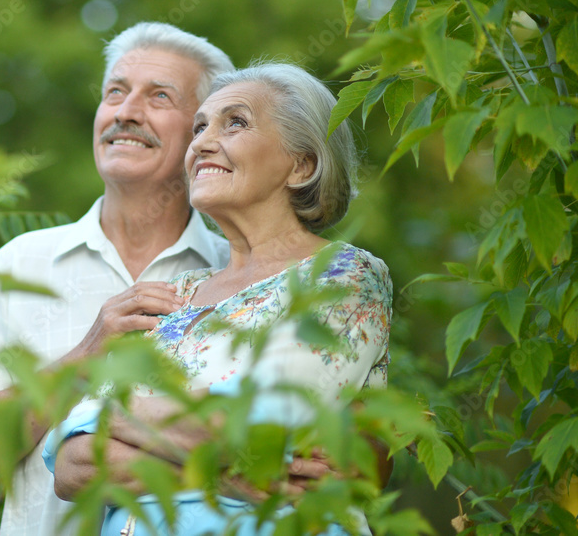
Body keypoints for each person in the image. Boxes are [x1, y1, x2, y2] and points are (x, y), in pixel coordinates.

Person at [44, 62, 392, 535]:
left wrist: (109, 419)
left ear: (301, 164)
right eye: (199, 127)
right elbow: (73, 465)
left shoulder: (343, 275)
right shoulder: (173, 294)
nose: (202, 143)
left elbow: (264, 428)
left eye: (236, 122)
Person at [0, 22, 236, 536]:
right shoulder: (17, 267)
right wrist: (86, 354)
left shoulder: (243, 275)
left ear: (202, 132)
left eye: (158, 96)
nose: (125, 112)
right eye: (115, 92)